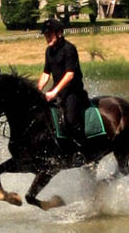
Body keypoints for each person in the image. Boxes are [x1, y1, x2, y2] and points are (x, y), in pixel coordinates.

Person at [38, 18, 90, 147]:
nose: (47, 38)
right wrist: (37, 90)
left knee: (71, 120)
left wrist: (54, 92)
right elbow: (46, 74)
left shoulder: (69, 49)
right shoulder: (49, 51)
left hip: (73, 92)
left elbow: (70, 75)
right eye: (45, 35)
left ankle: (82, 150)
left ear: (59, 33)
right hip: (57, 91)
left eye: (49, 34)